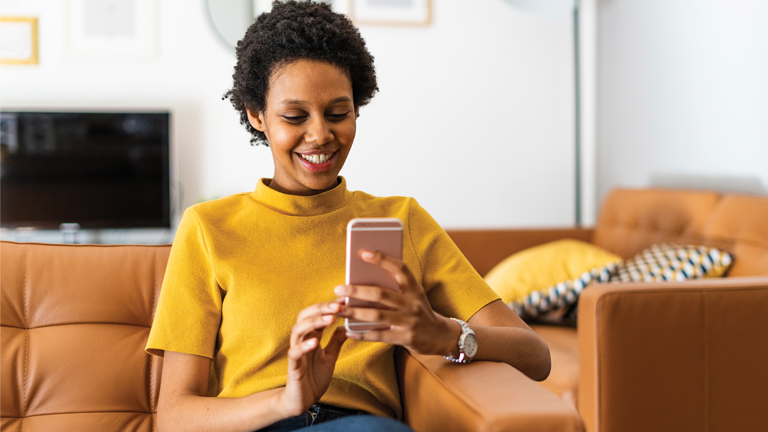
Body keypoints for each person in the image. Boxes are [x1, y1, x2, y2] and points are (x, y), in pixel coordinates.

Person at [146, 2, 551, 431]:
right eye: (294, 116)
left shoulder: (402, 220)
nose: (320, 133)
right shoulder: (209, 228)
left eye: (338, 113)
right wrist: (285, 401)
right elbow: (174, 417)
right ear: (256, 115)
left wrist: (443, 334)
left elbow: (536, 356)